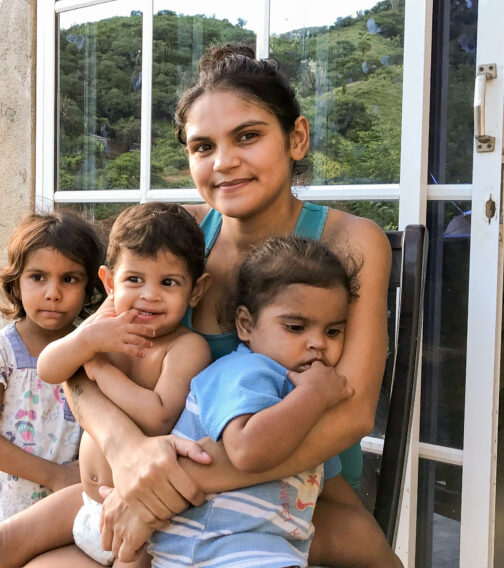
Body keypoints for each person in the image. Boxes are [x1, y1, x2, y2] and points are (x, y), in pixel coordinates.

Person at [24, 43, 393, 567]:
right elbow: (81, 363)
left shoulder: (350, 241)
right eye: (202, 147)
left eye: (248, 135)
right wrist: (127, 450)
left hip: (294, 489)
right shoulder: (177, 237)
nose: (224, 162)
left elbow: (353, 412)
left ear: (297, 138)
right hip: (151, 478)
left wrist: (172, 480)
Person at [0, 202, 212, 567]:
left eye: (168, 283)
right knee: (5, 540)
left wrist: (101, 370)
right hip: (84, 500)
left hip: (136, 520)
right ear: (108, 282)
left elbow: (159, 417)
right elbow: (49, 368)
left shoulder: (185, 347)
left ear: (195, 291)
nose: (149, 295)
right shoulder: (107, 323)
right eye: (134, 280)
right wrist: (87, 342)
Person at [149, 236, 401, 568]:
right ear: (246, 324)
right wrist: (315, 394)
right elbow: (246, 450)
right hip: (208, 543)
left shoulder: (305, 396)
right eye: (296, 327)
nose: (318, 344)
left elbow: (331, 483)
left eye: (333, 332)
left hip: (260, 547)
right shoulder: (244, 372)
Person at [0, 211, 105, 550]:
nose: (53, 293)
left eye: (69, 279)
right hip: (9, 510)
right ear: (16, 282)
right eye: (38, 277)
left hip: (73, 509)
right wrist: (55, 476)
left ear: (89, 288)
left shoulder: (93, 352)